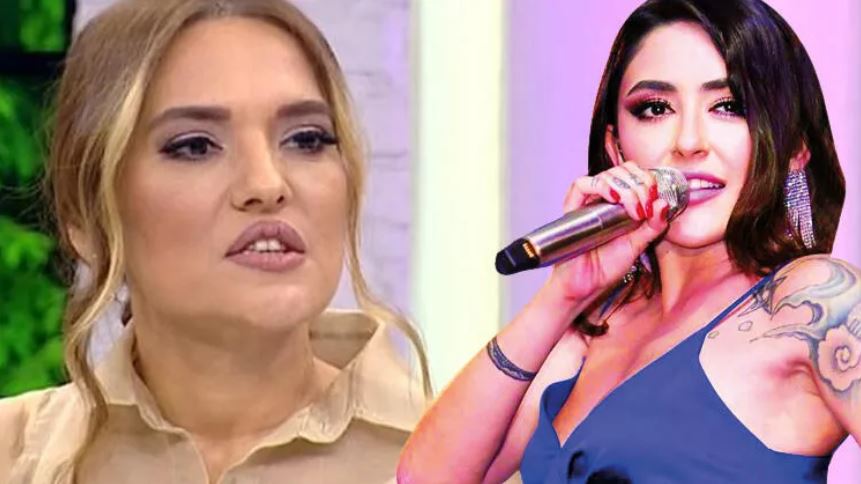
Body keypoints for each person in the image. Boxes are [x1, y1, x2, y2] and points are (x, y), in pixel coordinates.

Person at [398, 0, 859, 482]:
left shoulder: (817, 302)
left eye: (728, 106)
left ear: (795, 147)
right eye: (655, 109)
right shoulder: (597, 327)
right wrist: (565, 294)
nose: (688, 142)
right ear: (617, 147)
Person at [0, 0, 430, 482]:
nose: (267, 184)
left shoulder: (462, 463)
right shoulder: (14, 456)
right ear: (85, 216)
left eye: (307, 139)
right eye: (195, 146)